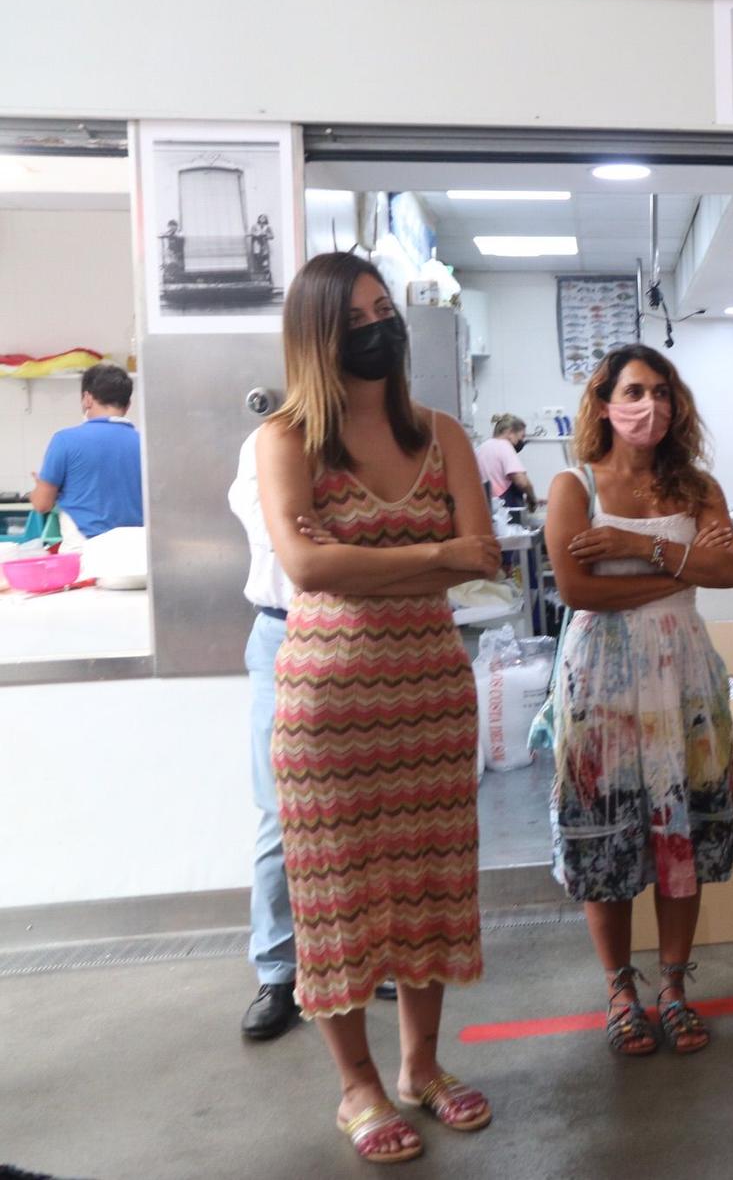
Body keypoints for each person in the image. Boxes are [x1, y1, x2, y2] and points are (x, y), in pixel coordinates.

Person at [257, 251, 500, 1165]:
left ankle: (421, 1065)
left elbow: (479, 553)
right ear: (320, 334)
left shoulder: (443, 435)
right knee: (338, 894)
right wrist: (426, 554)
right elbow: (309, 568)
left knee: (431, 883)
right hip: (329, 708)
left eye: (385, 307)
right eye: (359, 314)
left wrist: (385, 554)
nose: (380, 325)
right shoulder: (288, 438)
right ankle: (355, 1082)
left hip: (432, 697)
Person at [544, 344, 733, 1058]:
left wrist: (640, 546)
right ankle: (620, 989)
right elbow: (578, 591)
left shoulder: (694, 487)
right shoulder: (575, 485)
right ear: (603, 401)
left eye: (661, 391)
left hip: (684, 676)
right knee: (609, 831)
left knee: (679, 829)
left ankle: (674, 985)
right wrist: (681, 572)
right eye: (633, 390)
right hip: (602, 681)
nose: (650, 405)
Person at [227, 429, 300, 1041]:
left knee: (370, 811)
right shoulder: (271, 441)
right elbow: (291, 543)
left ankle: (367, 956)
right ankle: (279, 973)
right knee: (280, 812)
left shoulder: (384, 429)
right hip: (285, 632)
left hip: (372, 633)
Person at [30, 362, 143, 540]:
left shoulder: (65, 440)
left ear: (87, 398)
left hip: (84, 551)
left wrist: (39, 487)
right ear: (127, 404)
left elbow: (42, 504)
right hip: (134, 549)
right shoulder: (144, 444)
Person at [475, 413, 537, 511]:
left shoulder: (480, 449)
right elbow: (522, 481)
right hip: (505, 509)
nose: (521, 441)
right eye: (521, 436)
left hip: (486, 507)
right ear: (510, 432)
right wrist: (532, 498)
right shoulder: (504, 446)